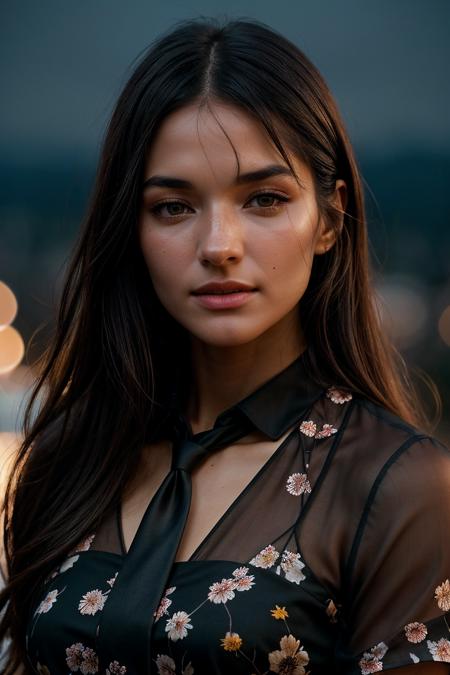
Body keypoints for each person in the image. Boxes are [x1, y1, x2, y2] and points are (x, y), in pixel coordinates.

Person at [0, 16, 449, 675]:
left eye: (264, 199)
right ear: (132, 228)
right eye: (174, 206)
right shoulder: (69, 456)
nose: (219, 246)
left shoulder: (396, 487)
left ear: (329, 219)